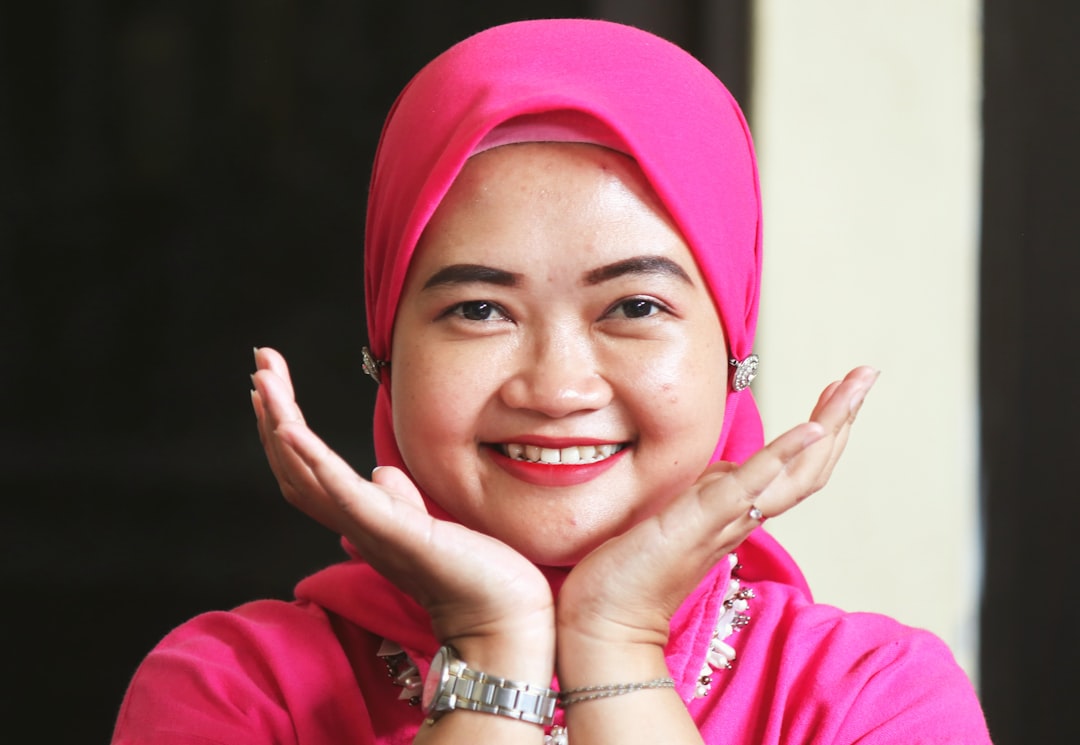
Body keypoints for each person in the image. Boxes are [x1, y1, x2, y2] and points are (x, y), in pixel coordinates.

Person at [111, 18, 991, 745]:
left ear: (732, 345)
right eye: (479, 310)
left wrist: (617, 642)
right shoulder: (235, 694)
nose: (557, 386)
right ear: (387, 347)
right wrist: (491, 650)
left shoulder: (871, 699)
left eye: (634, 306)